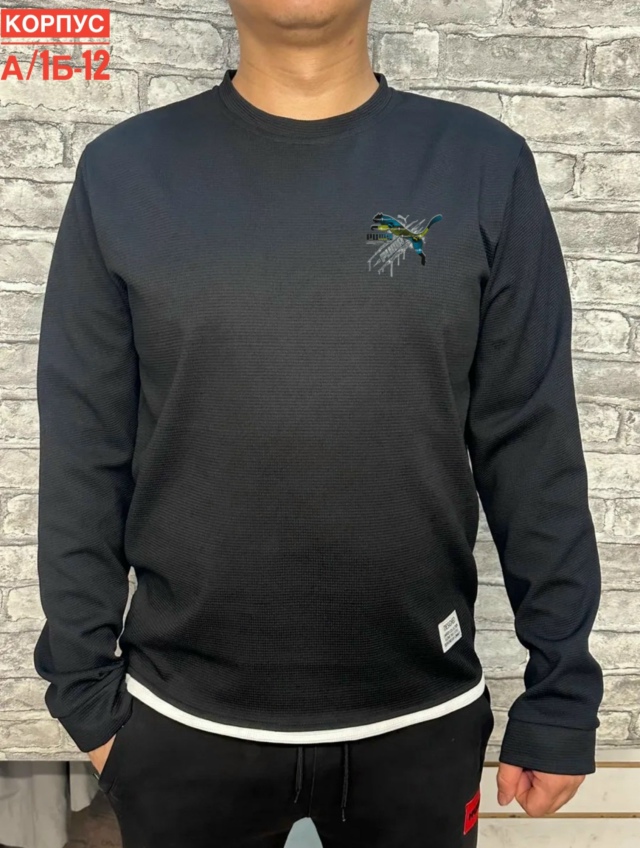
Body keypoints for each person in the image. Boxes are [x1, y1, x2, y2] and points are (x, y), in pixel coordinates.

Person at [33, 1, 604, 845]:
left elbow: (531, 443)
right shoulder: (125, 172)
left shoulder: (481, 165)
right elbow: (86, 449)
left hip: (422, 716)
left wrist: (561, 692)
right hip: (180, 725)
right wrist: (88, 696)